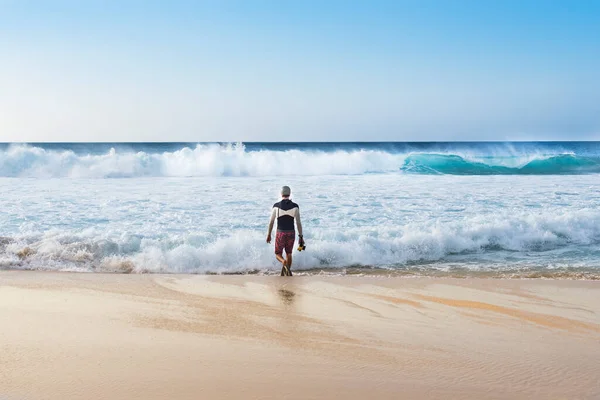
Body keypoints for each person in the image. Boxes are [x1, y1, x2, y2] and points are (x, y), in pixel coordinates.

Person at [266, 185, 304, 276]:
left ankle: (283, 262)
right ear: (289, 194)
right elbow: (298, 223)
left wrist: (269, 234)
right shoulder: (295, 206)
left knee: (278, 253)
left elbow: (271, 222)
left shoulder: (276, 206)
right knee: (289, 253)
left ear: (281, 194)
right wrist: (301, 236)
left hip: (280, 233)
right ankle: (287, 271)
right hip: (291, 232)